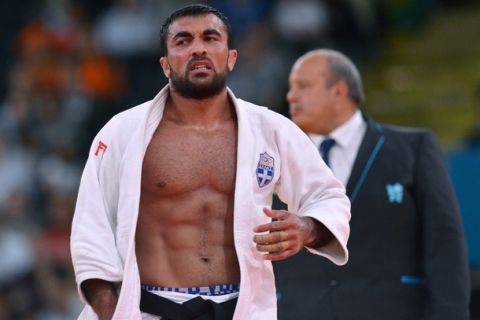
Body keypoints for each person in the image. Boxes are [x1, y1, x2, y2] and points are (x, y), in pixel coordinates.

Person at [70, 6, 351, 320]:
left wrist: (306, 228)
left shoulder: (271, 130)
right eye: (183, 41)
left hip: (241, 309)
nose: (198, 49)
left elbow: (328, 196)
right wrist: (112, 314)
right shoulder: (122, 132)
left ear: (231, 57)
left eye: (210, 38)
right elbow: (91, 232)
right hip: (148, 309)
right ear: (165, 65)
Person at [274, 49, 471, 320]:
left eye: (303, 86)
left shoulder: (412, 149)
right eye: (290, 87)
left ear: (339, 92)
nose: (290, 96)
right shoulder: (275, 161)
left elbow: (444, 244)